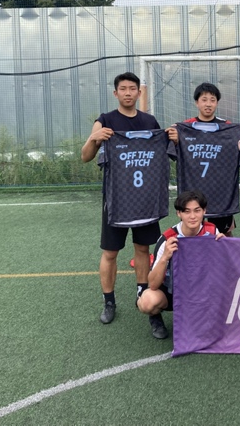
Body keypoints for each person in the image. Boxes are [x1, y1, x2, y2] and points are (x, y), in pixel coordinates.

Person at [81, 72, 166, 326]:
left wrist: (172, 137)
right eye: (123, 89)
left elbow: (162, 151)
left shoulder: (149, 121)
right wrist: (94, 139)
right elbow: (85, 156)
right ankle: (109, 301)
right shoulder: (105, 121)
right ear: (115, 93)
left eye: (132, 89)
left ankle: (143, 296)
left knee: (143, 249)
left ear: (139, 93)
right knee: (110, 252)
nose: (128, 93)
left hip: (144, 199)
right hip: (116, 199)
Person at [137, 190, 224, 339]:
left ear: (204, 211)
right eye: (186, 211)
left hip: (200, 291)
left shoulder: (212, 231)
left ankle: (201, 313)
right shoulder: (167, 239)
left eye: (197, 210)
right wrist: (165, 257)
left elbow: (223, 267)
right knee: (147, 301)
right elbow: (152, 284)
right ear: (179, 213)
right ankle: (155, 317)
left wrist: (224, 247)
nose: (192, 216)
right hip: (174, 292)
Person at [163, 82, 240, 237]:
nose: (208, 104)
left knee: (224, 235)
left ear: (217, 103)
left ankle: (226, 254)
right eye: (204, 99)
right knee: (192, 232)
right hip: (192, 191)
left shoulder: (230, 128)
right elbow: (171, 153)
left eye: (212, 100)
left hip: (220, 193)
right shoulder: (183, 128)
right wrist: (175, 140)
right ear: (197, 102)